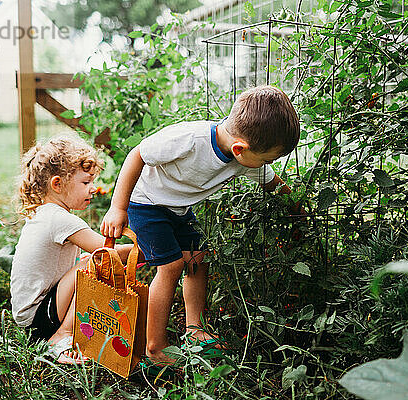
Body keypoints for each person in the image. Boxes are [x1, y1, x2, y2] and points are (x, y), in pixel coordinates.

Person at [100, 85, 301, 368]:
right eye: (268, 159)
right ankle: (155, 347)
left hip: (178, 208)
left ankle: (194, 329)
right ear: (240, 149)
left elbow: (274, 185)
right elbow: (137, 155)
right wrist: (117, 207)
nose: (267, 165)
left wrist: (300, 212)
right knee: (170, 267)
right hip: (146, 203)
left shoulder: (245, 157)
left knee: (197, 259)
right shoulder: (188, 139)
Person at [11, 135, 137, 364]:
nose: (93, 189)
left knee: (88, 259)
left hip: (30, 317)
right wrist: (146, 251)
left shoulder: (46, 213)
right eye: (85, 183)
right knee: (94, 262)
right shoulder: (60, 220)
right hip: (39, 319)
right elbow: (106, 252)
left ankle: (68, 330)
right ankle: (62, 336)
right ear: (57, 184)